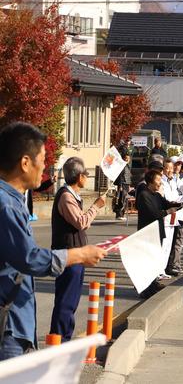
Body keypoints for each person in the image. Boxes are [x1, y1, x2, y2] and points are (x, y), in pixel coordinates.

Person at [0, 123, 106, 359]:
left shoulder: (13, 200)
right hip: (9, 327)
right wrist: (80, 254)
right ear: (25, 163)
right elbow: (30, 258)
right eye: (42, 158)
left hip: (15, 320)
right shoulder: (6, 204)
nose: (45, 167)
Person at [48, 157, 106, 342]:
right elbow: (81, 222)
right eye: (86, 175)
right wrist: (96, 206)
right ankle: (59, 340)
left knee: (71, 301)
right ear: (80, 176)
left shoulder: (72, 195)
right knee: (65, 301)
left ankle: (64, 338)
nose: (87, 178)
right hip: (68, 255)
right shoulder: (66, 196)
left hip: (76, 255)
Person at [136, 169, 183, 298]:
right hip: (147, 233)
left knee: (155, 260)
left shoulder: (156, 195)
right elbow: (154, 214)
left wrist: (182, 204)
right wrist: (168, 211)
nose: (160, 183)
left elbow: (167, 204)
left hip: (158, 231)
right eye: (158, 180)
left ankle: (153, 284)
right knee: (147, 261)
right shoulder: (144, 195)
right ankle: (145, 289)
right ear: (150, 181)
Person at [161, 159, 183, 277]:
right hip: (166, 215)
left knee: (168, 245)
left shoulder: (173, 181)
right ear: (163, 168)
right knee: (163, 244)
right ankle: (158, 270)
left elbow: (177, 196)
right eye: (167, 168)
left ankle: (163, 269)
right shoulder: (162, 181)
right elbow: (166, 198)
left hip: (174, 215)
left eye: (171, 168)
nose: (169, 171)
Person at [114, 151, 132, 220]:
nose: (127, 160)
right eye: (126, 159)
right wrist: (120, 185)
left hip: (127, 184)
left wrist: (129, 185)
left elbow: (129, 176)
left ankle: (122, 214)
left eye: (128, 159)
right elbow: (121, 176)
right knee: (121, 200)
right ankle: (119, 214)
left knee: (124, 200)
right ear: (123, 159)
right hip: (123, 184)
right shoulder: (121, 166)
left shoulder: (128, 166)